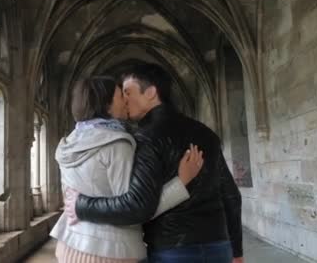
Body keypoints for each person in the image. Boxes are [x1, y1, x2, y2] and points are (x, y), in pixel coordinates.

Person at [65, 64, 243, 263]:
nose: (124, 99)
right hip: (219, 247)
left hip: (172, 251)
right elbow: (231, 195)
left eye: (128, 92)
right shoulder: (207, 134)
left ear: (150, 93)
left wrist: (81, 205)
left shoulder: (144, 138)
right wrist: (237, 250)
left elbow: (138, 206)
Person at [50, 76, 204, 262]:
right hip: (108, 253)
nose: (125, 100)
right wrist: (181, 181)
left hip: (69, 245)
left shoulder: (71, 142)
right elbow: (134, 210)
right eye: (119, 96)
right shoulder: (116, 144)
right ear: (107, 105)